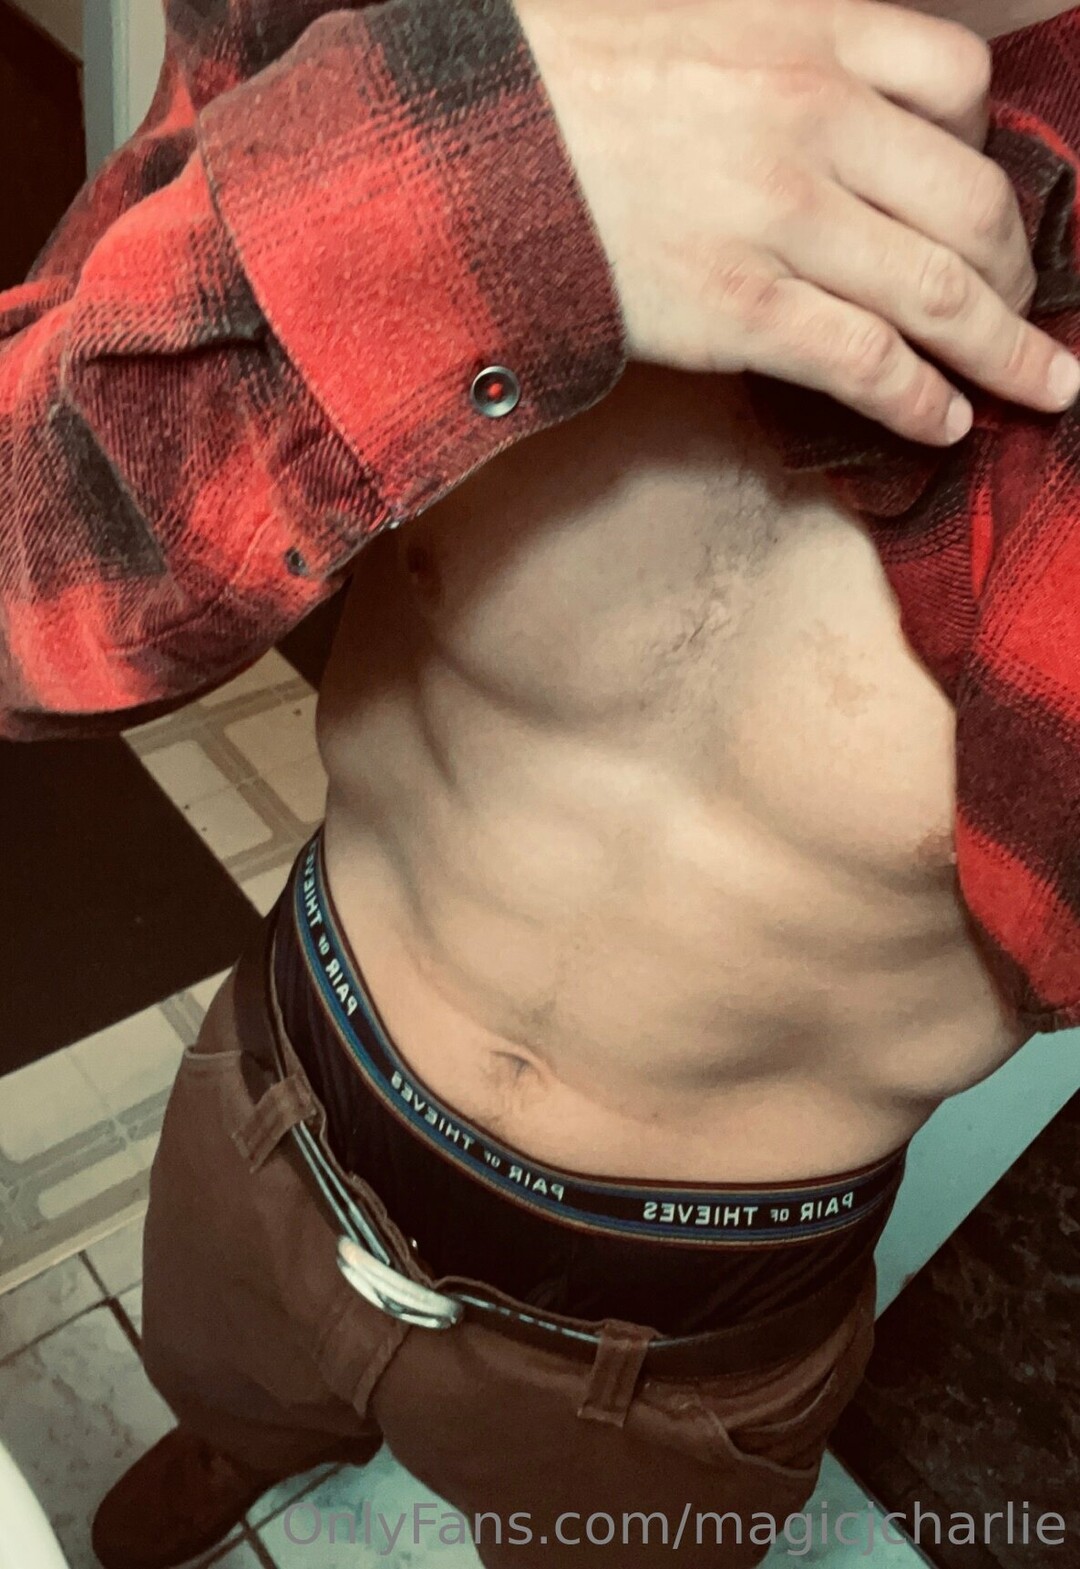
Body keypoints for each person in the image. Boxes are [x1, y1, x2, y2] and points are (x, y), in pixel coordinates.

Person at [0, 1, 1077, 1566]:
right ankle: (245, 1435)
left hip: (686, 1358)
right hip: (286, 1110)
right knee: (224, 1372)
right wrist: (474, 183)